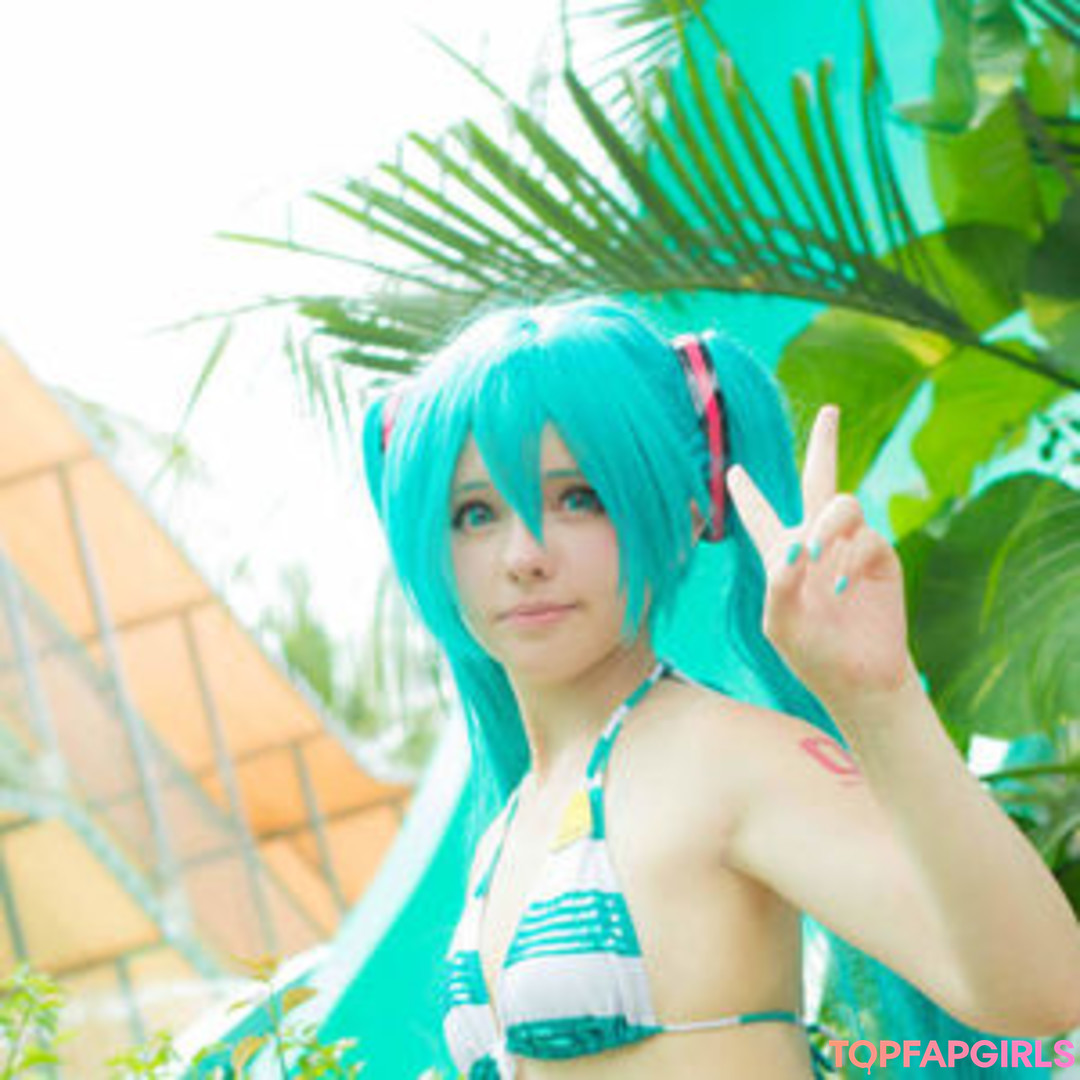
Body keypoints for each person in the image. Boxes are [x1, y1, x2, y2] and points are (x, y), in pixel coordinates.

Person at [362, 297, 1080, 1079]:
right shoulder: (511, 819)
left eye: (578, 498)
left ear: (682, 509)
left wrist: (882, 699)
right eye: (474, 513)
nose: (523, 556)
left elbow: (1048, 994)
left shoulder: (724, 759)